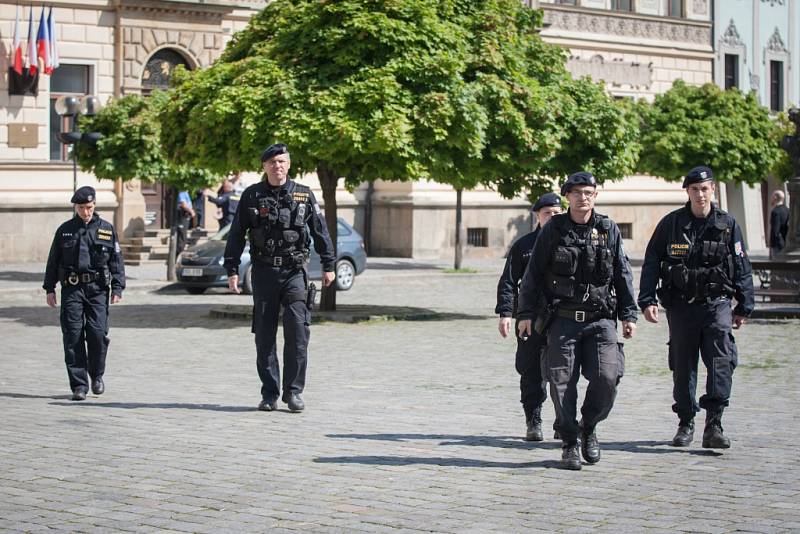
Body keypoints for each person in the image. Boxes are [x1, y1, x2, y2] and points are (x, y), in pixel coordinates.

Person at [517, 171, 637, 470]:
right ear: (567, 196)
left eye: (589, 193)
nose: (583, 198)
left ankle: (589, 426)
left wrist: (629, 313)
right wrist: (525, 314)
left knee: (608, 377)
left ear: (595, 196)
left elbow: (622, 272)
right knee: (560, 384)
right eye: (577, 193)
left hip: (600, 319)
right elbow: (532, 274)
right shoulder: (554, 229)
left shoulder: (608, 229)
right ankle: (570, 442)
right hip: (563, 320)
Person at [638, 166, 754, 450]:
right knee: (683, 365)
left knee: (721, 361)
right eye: (694, 189)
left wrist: (745, 305)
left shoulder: (728, 224)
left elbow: (741, 265)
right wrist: (647, 299)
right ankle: (686, 421)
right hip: (681, 306)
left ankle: (714, 423)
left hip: (717, 305)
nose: (700, 194)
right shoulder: (672, 224)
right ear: (687, 192)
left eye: (705, 189)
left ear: (712, 190)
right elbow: (652, 260)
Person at [224, 143, 336, 412]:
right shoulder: (251, 196)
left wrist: (329, 264)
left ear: (289, 164)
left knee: (298, 333)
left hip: (295, 272)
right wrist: (231, 269)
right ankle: (270, 393)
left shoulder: (304, 195)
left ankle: (294, 392)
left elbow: (321, 232)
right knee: (264, 336)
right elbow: (236, 234)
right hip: (263, 273)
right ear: (264, 166)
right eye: (272, 162)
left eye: (282, 161)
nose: (278, 166)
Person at [43, 186, 126, 401]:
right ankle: (79, 385)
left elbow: (116, 261)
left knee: (98, 333)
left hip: (97, 289)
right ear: (75, 207)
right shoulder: (65, 230)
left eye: (89, 207)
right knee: (73, 335)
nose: (85, 212)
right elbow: (53, 261)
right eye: (81, 208)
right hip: (71, 289)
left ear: (95, 205)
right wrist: (49, 288)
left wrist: (118, 287)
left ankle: (96, 375)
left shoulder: (106, 229)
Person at [496, 192, 562, 441]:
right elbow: (509, 282)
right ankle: (533, 419)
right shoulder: (524, 246)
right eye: (548, 213)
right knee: (530, 370)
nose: (553, 217)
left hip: (561, 316)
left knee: (562, 371)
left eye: (557, 213)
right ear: (537, 216)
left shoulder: (570, 240)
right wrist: (506, 312)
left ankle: (562, 419)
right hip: (530, 317)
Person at [769, 190, 789, 258]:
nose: (770, 199)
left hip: (777, 246)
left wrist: (777, 245)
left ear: (775, 197)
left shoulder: (775, 212)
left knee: (775, 266)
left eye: (771, 197)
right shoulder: (787, 210)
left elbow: (775, 231)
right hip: (786, 243)